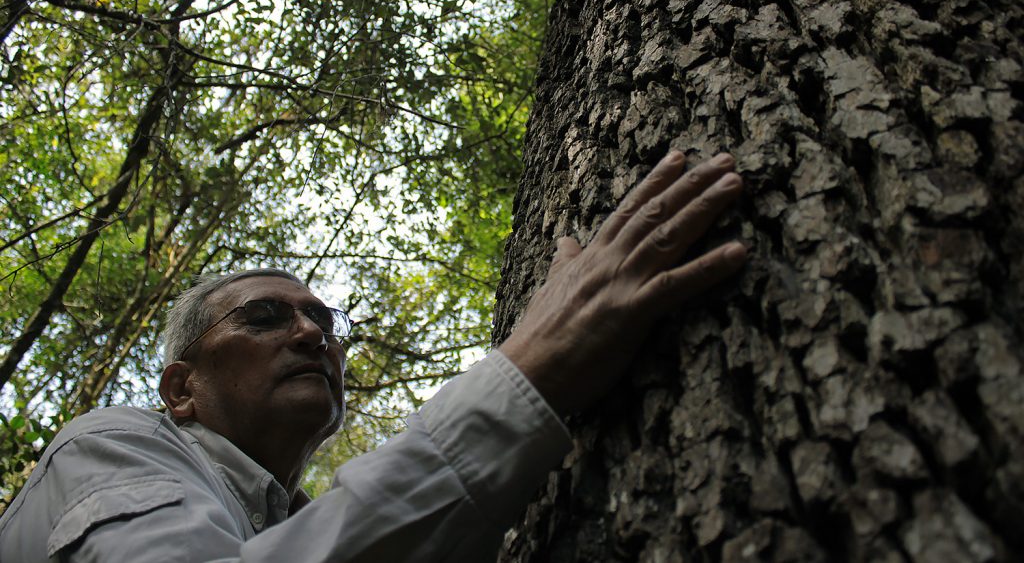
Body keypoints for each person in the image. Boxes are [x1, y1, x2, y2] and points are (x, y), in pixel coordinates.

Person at [0, 150, 747, 562]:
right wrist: (529, 370)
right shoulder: (110, 445)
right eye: (264, 317)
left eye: (325, 321)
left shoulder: (282, 521)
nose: (311, 334)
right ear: (181, 388)